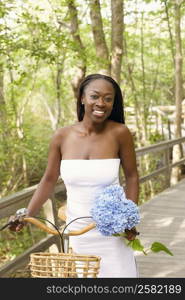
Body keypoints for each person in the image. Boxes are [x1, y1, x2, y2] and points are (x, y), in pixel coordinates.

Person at [9, 73, 139, 277]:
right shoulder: (62, 136)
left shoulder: (120, 133)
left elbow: (132, 176)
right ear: (82, 98)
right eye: (95, 96)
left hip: (113, 231)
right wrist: (27, 214)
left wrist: (129, 219)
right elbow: (49, 179)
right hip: (77, 232)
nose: (101, 103)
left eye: (108, 98)